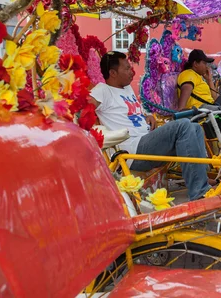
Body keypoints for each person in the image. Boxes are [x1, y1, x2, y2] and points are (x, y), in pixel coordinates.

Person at [90, 51, 211, 201]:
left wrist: (146, 116)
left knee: (195, 127)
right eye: (127, 68)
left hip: (147, 140)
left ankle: (202, 182)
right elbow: (83, 109)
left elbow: (132, 113)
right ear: (113, 73)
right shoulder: (102, 90)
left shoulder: (126, 89)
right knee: (183, 125)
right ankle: (199, 192)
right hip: (134, 150)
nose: (131, 71)